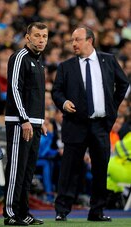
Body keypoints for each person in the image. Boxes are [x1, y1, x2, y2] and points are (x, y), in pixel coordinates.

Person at [52, 27, 129, 222]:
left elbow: (123, 83)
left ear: (90, 40)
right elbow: (56, 91)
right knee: (69, 169)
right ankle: (62, 211)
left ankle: (97, 211)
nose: (74, 44)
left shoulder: (108, 60)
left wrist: (111, 107)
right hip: (75, 124)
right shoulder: (65, 66)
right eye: (72, 40)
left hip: (100, 124)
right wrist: (63, 102)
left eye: (77, 40)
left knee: (100, 169)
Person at [3, 22, 48, 226]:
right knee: (16, 169)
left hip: (35, 123)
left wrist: (41, 120)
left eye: (44, 36)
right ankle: (11, 213)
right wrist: (25, 119)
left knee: (28, 171)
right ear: (27, 37)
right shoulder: (19, 57)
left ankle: (24, 211)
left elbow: (37, 95)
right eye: (37, 36)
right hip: (20, 123)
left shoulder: (39, 61)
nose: (41, 40)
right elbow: (14, 89)